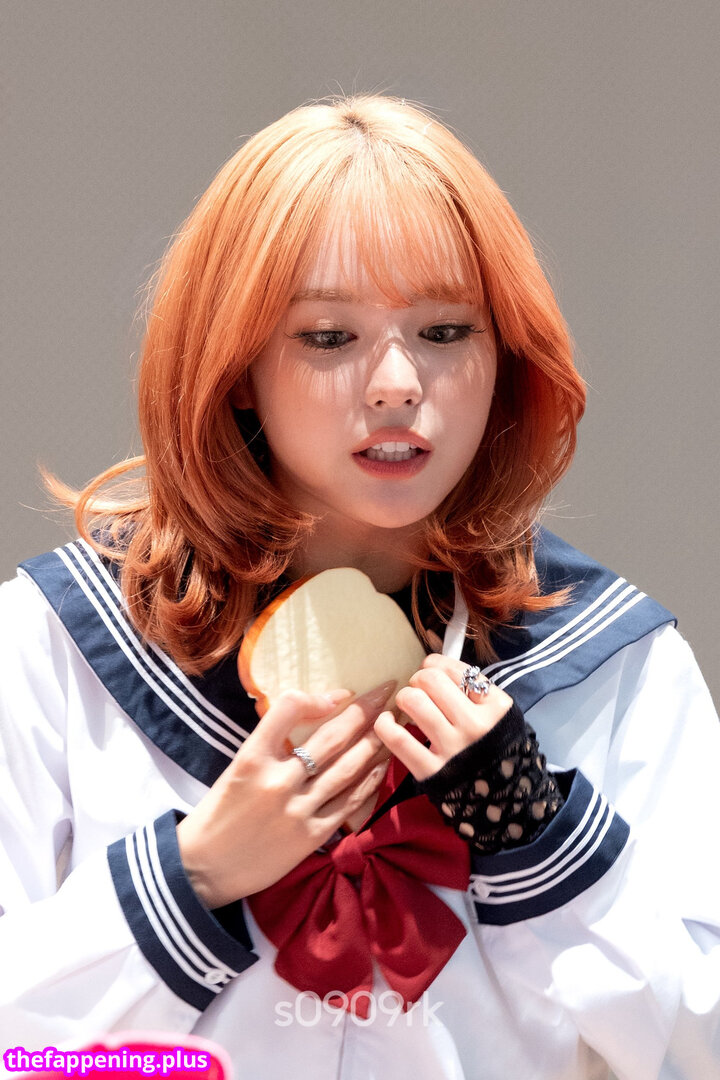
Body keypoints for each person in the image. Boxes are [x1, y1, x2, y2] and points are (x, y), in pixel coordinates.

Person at [1, 94, 718, 1080]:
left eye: (446, 330)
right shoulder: (59, 647)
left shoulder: (613, 667)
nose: (396, 383)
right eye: (328, 336)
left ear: (505, 358)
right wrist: (192, 873)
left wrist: (544, 842)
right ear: (236, 366)